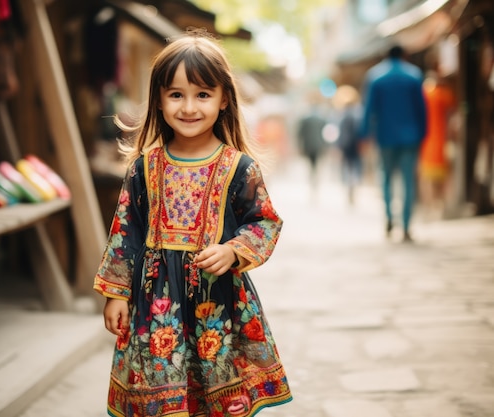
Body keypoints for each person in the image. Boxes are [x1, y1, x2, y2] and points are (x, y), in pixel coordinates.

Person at [93, 30, 292, 417]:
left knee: (215, 400)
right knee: (160, 398)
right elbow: (124, 232)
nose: (189, 107)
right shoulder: (144, 169)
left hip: (217, 306)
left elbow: (264, 222)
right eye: (176, 94)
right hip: (156, 306)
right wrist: (115, 293)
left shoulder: (239, 168)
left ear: (223, 101)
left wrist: (233, 250)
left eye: (202, 94)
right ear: (159, 100)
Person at [360, 44, 427, 242]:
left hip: (385, 136)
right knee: (408, 181)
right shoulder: (414, 75)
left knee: (387, 179)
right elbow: (422, 109)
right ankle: (406, 226)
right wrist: (424, 133)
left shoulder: (375, 76)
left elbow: (369, 109)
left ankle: (389, 218)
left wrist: (364, 134)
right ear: (405, 54)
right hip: (411, 137)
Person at [418, 70, 457, 219]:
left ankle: (429, 207)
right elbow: (452, 111)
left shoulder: (424, 95)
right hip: (441, 141)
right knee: (442, 177)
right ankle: (441, 206)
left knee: (427, 178)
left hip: (426, 141)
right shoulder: (443, 94)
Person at [333, 85, 363, 205]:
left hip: (345, 145)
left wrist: (338, 146)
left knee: (347, 167)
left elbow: (339, 132)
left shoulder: (342, 114)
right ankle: (353, 185)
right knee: (356, 166)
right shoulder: (358, 113)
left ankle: (349, 185)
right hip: (356, 144)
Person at [296, 94, 327, 189]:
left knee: (311, 162)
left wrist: (300, 146)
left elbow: (300, 133)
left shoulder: (305, 119)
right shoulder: (322, 118)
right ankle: (315, 176)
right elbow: (326, 133)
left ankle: (313, 176)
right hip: (319, 144)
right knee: (316, 162)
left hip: (308, 145)